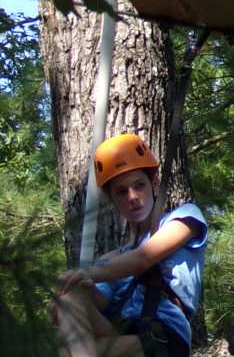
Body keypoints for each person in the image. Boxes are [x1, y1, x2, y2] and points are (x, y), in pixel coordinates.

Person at [51, 133, 207, 357]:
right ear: (112, 198)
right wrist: (70, 293)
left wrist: (88, 273)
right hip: (122, 333)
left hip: (162, 337)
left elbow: (143, 258)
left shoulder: (184, 219)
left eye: (139, 185)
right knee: (69, 300)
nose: (132, 197)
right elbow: (102, 302)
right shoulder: (111, 260)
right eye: (121, 191)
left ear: (153, 183)